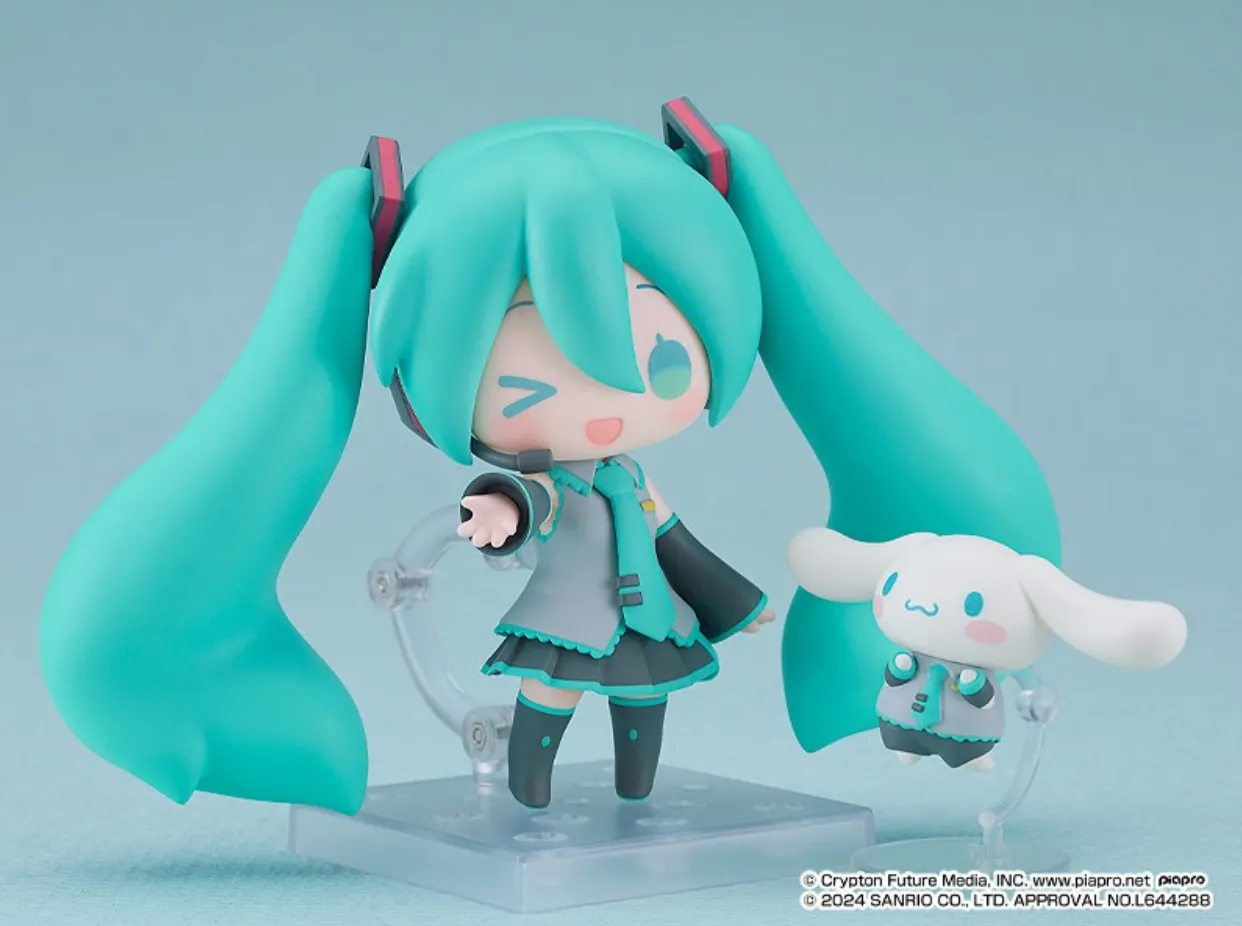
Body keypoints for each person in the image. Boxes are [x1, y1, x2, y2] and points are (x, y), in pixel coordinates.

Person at [39, 99, 1060, 817]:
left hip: (648, 621)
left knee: (644, 703)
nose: (607, 416)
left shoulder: (636, 483)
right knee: (552, 702)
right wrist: (494, 512)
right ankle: (531, 791)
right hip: (566, 622)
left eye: (662, 362)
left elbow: (676, 541)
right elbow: (518, 502)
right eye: (526, 385)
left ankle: (632, 796)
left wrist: (733, 600)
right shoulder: (553, 485)